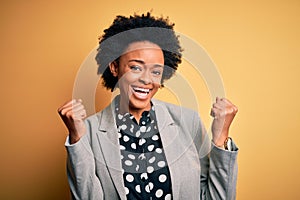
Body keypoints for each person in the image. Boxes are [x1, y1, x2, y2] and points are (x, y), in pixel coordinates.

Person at [58, 12, 239, 200]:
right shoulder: (88, 131)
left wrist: (221, 138)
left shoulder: (188, 122)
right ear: (114, 68)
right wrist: (77, 137)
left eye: (156, 71)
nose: (146, 79)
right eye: (136, 67)